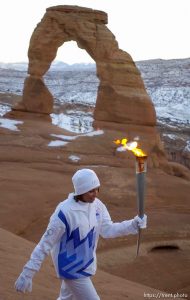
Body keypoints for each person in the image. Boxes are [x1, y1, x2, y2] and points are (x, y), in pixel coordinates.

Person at [15, 168, 147, 300]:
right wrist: (27, 273)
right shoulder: (64, 212)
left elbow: (108, 230)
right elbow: (45, 244)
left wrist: (132, 225)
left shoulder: (97, 206)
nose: (95, 194)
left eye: (97, 189)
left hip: (85, 266)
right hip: (70, 268)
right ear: (80, 191)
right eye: (91, 191)